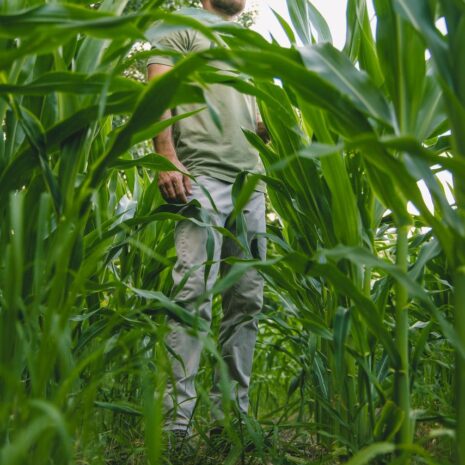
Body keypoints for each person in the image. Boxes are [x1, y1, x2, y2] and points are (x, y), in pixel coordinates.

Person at [147, 0, 267, 457]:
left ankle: (230, 423)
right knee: (192, 295)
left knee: (247, 301)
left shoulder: (249, 41)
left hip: (250, 185)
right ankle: (177, 427)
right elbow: (157, 92)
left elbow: (250, 108)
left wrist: (260, 123)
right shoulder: (179, 25)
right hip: (200, 178)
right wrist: (166, 157)